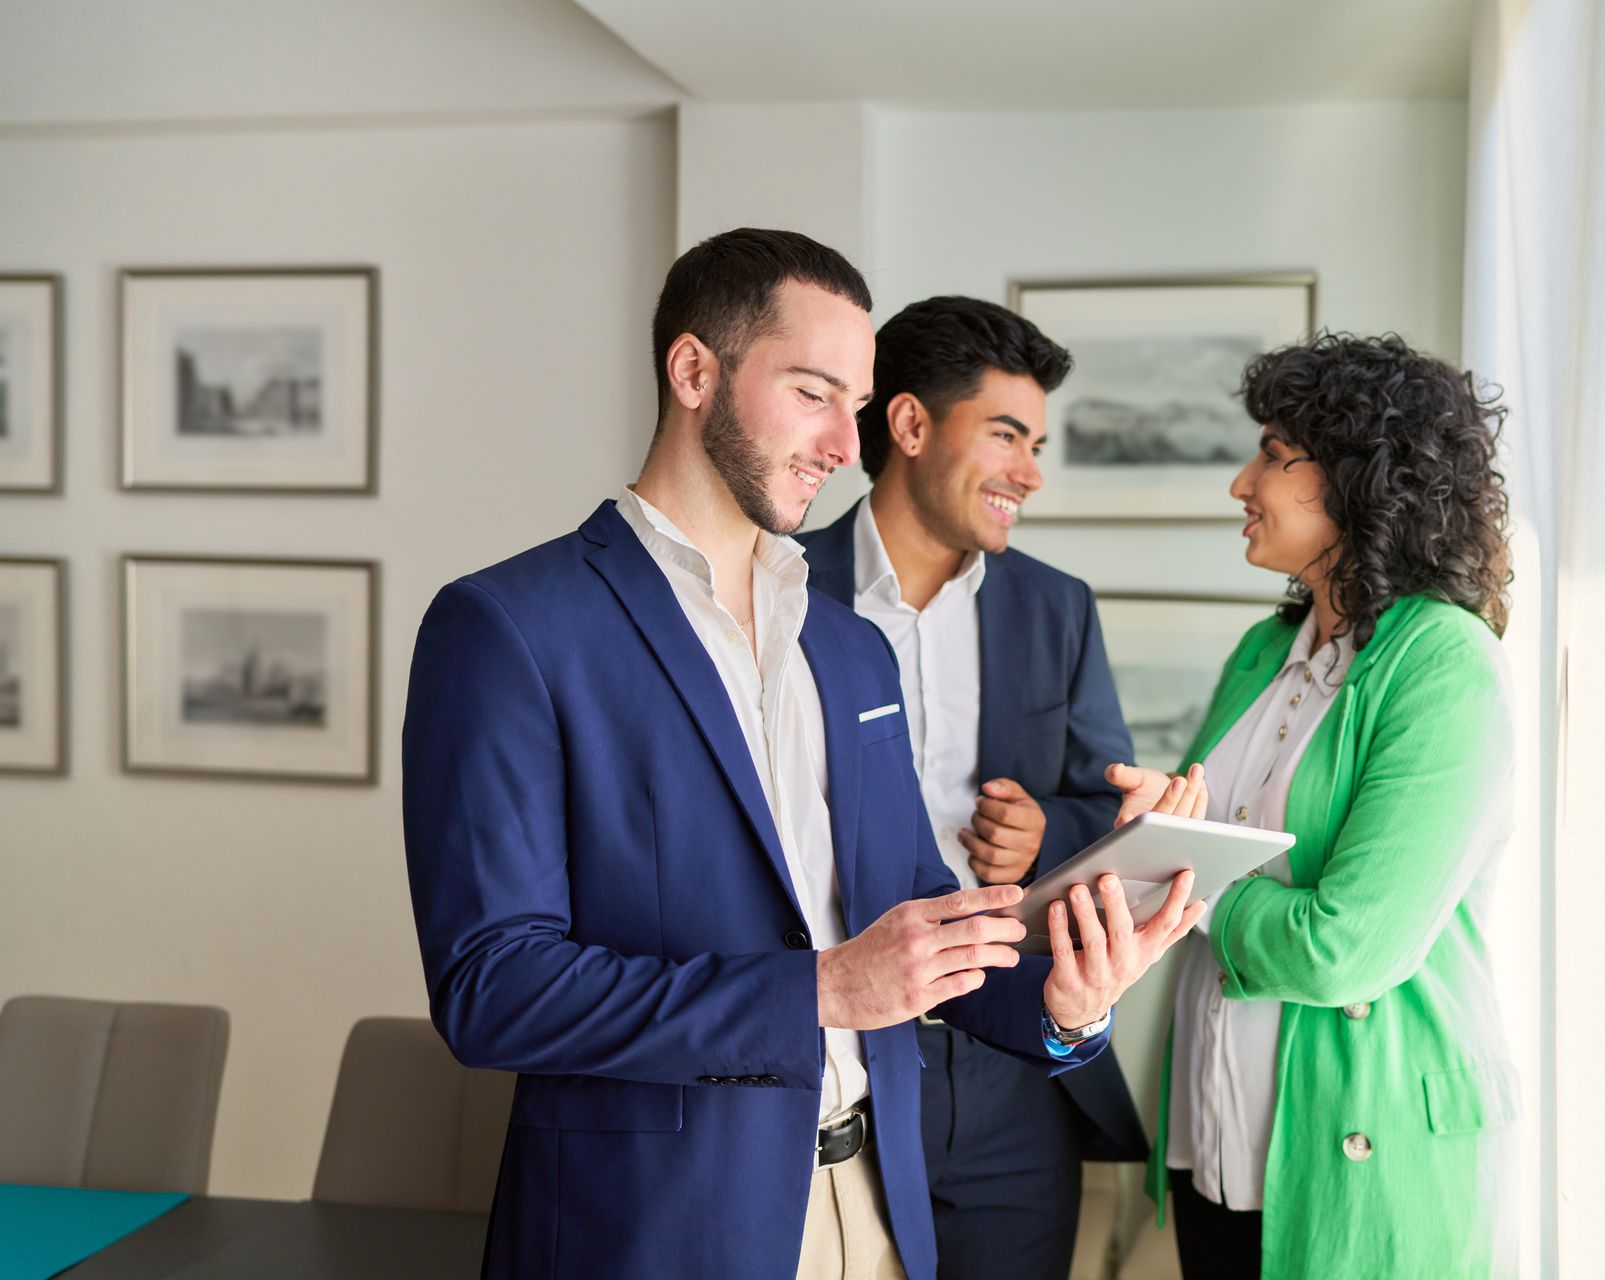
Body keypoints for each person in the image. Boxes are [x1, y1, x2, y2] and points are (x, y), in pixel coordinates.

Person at [399, 228, 1204, 1280]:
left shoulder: (847, 643)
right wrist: (815, 990)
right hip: (653, 1229)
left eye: (856, 405)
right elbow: (492, 986)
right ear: (694, 370)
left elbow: (920, 918)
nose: (842, 440)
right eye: (814, 393)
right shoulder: (508, 627)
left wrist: (1066, 1002)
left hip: (878, 1215)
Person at [1109, 333, 1520, 1277]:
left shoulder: (1445, 664)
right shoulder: (1266, 649)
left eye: (1273, 454)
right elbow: (1193, 841)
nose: (1241, 484)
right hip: (1213, 1157)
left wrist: (1191, 882)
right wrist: (1156, 832)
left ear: (1359, 476)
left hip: (1368, 1173)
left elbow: (1347, 949)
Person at [798, 296, 1148, 1279]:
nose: (1031, 473)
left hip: (1012, 1071)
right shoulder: (778, 589)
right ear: (909, 426)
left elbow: (1107, 808)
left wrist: (1046, 830)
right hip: (842, 1059)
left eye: (1034, 442)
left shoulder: (1056, 607)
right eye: (1006, 434)